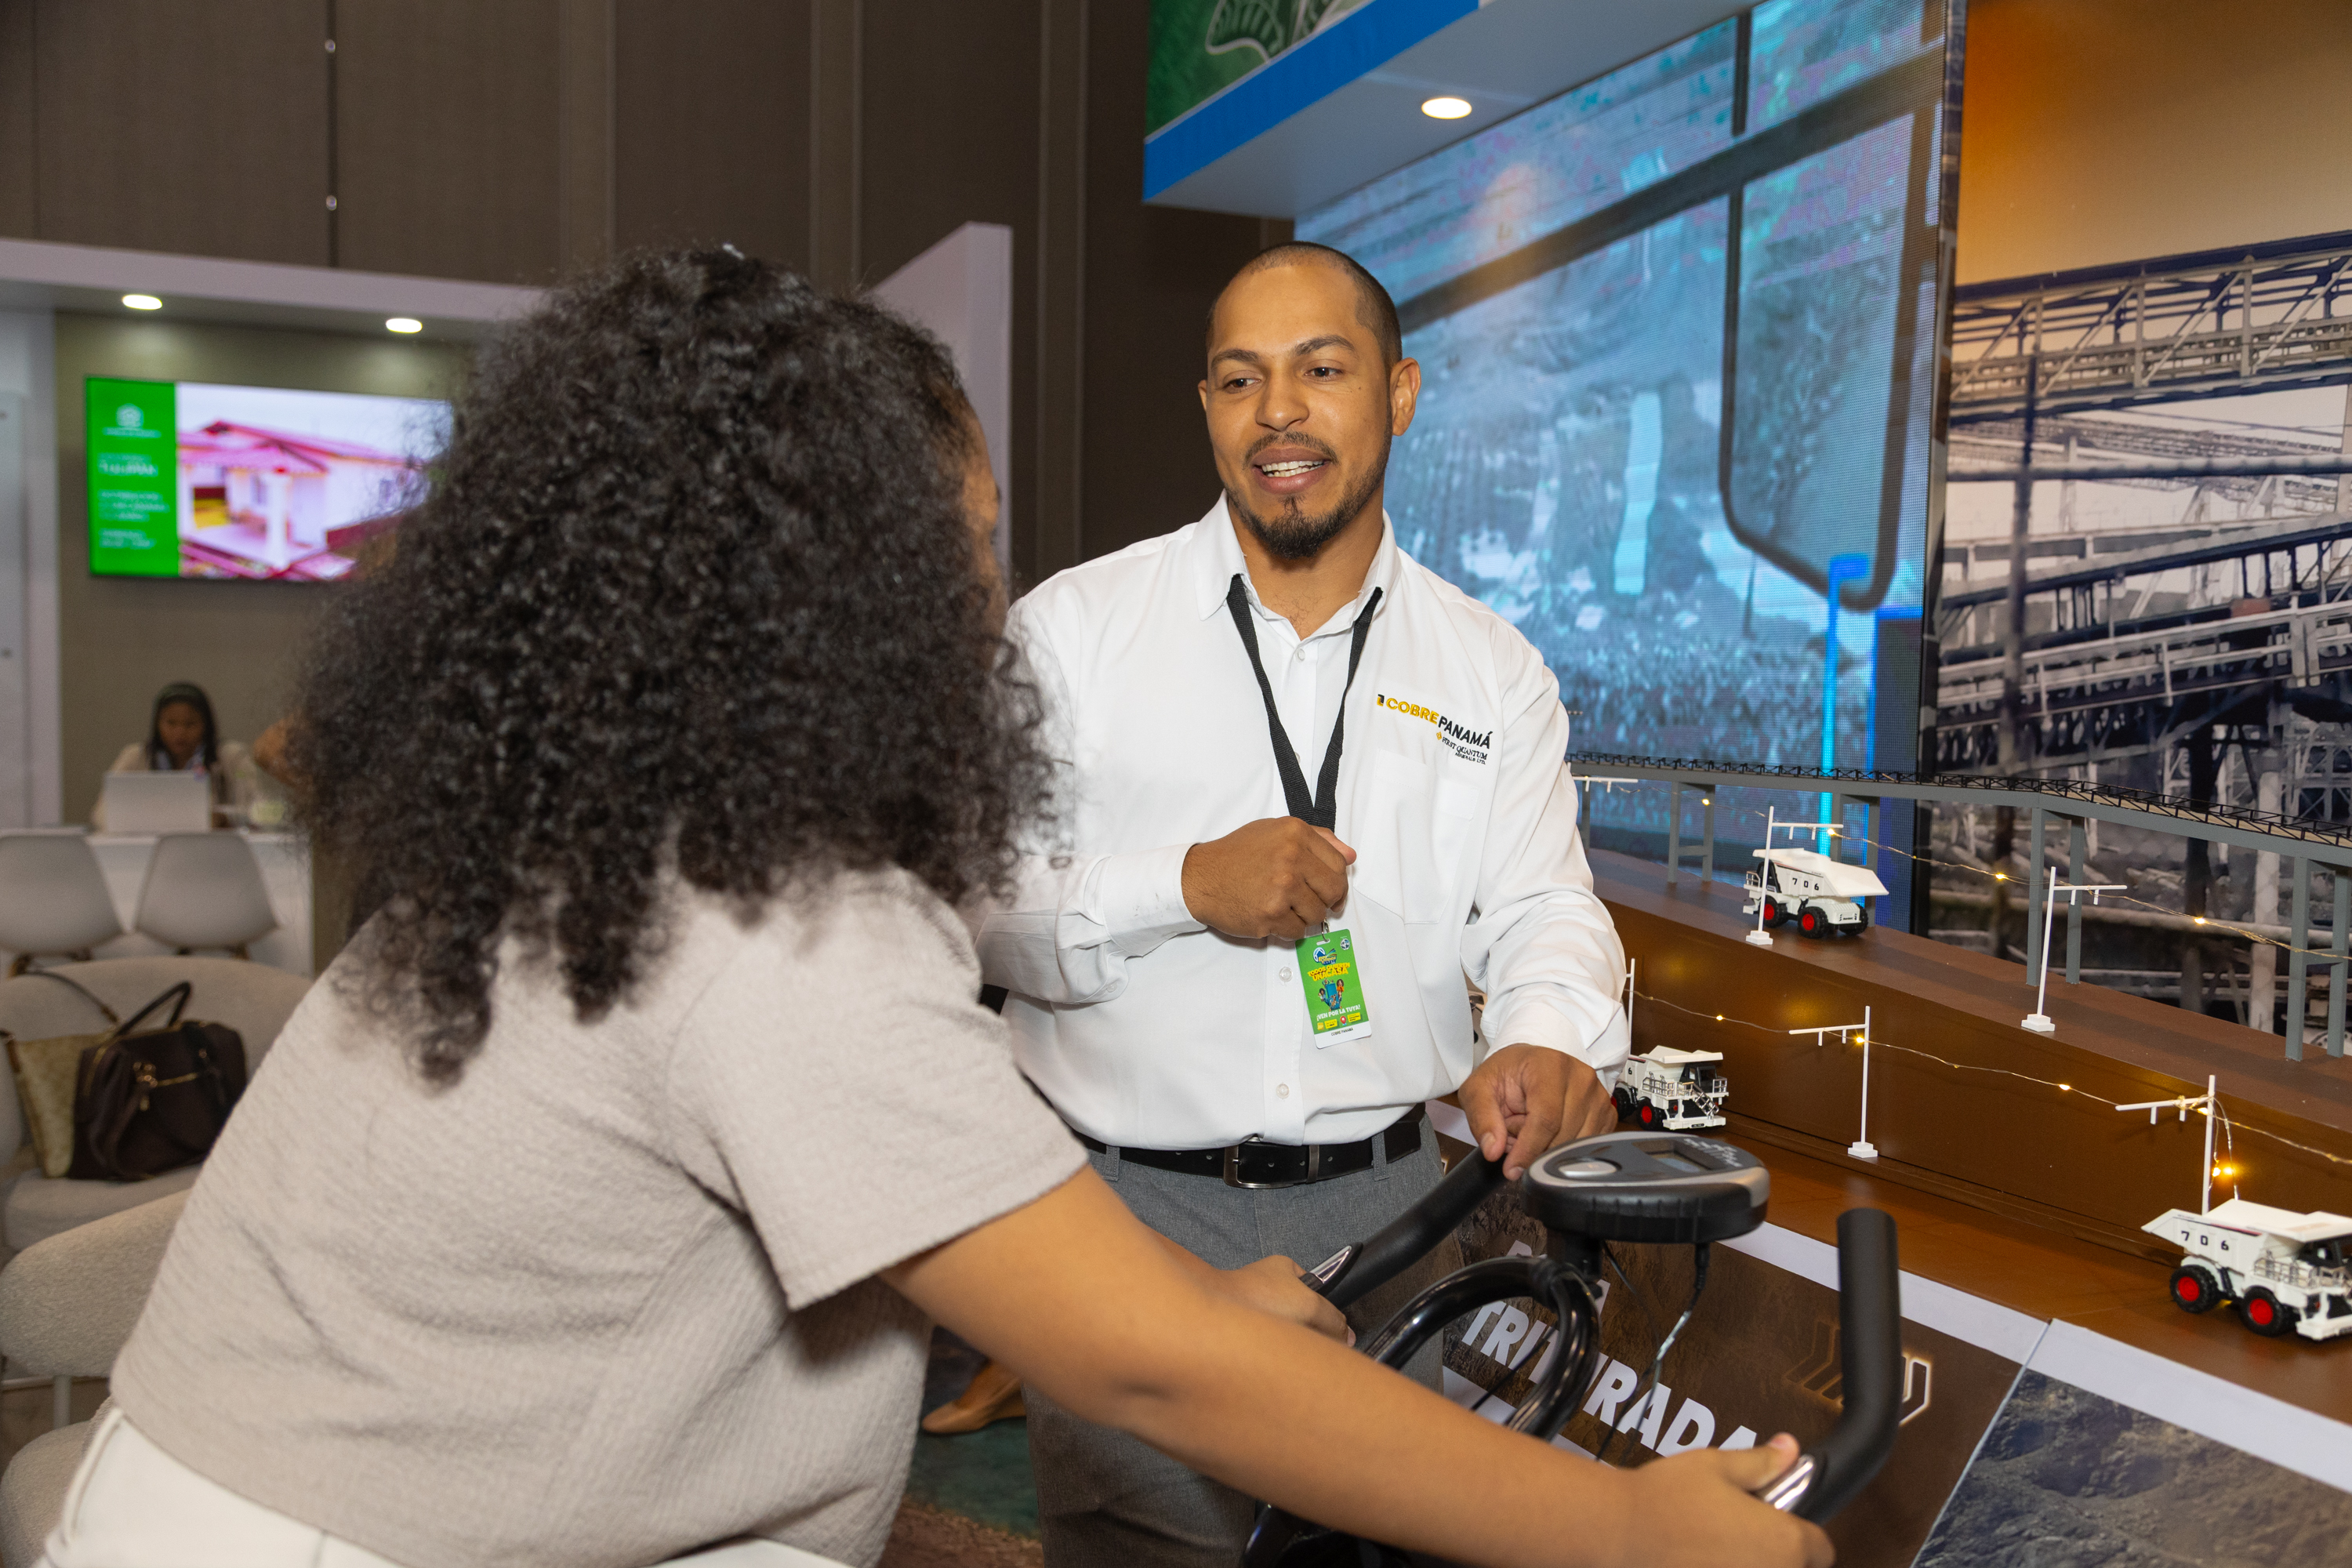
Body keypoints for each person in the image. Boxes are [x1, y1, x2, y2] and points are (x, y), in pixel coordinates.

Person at [44, 252, 1826, 1568]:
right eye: (965, 550)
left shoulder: (601, 825)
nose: (987, 616)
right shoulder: (770, 915)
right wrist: (1627, 1530)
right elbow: (1150, 1362)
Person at [977, 241, 1635, 1566]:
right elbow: (976, 907)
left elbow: (1545, 909)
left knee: (1376, 1552)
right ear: (1209, 408)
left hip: (1390, 1212)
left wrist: (1553, 1032)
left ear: (1398, 394)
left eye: (1321, 370)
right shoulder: (1072, 634)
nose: (1279, 410)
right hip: (1128, 1216)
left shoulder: (1491, 671)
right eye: (1240, 378)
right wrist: (1180, 887)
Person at [92, 682, 277, 829]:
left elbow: (263, 810)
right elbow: (101, 814)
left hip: (216, 851)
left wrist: (227, 818)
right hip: (148, 849)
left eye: (190, 724)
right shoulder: (136, 757)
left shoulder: (232, 757)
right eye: (171, 724)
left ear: (206, 725)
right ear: (157, 724)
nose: (179, 733)